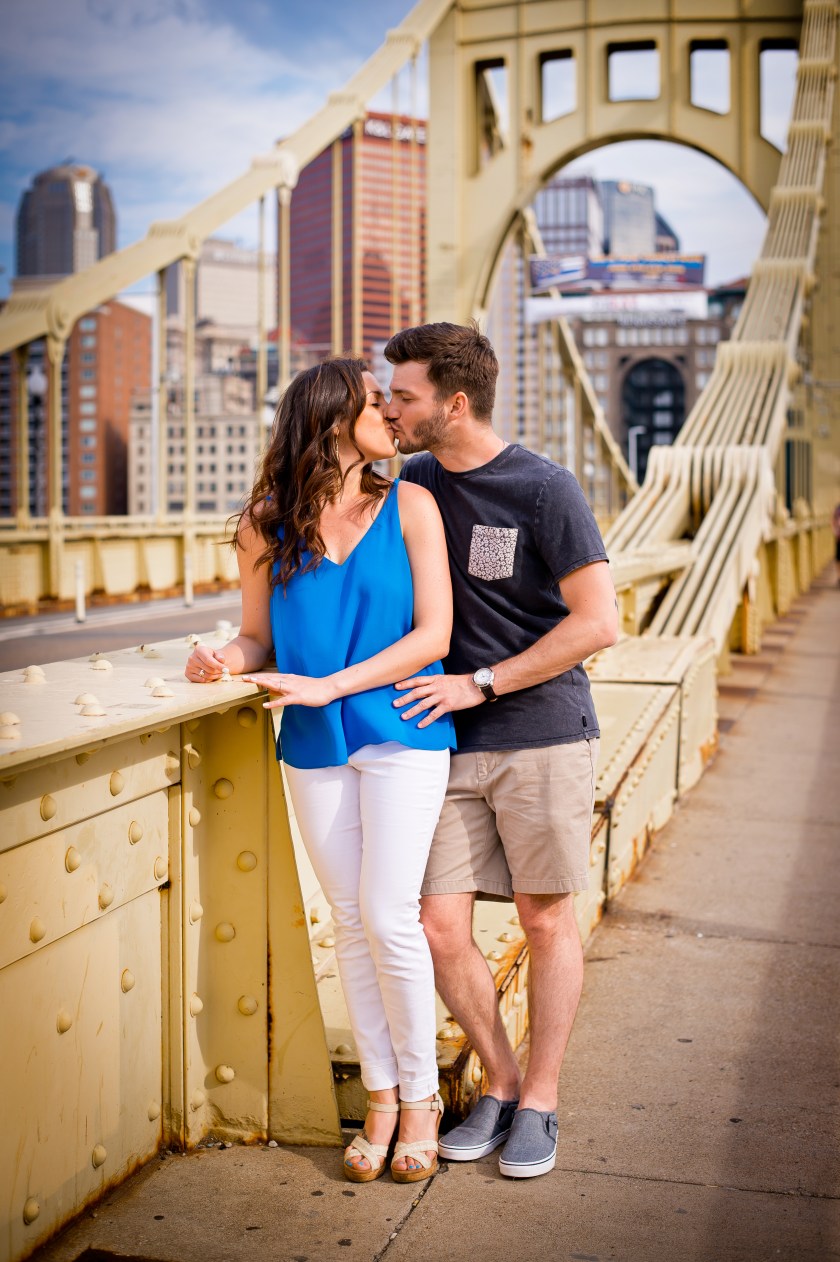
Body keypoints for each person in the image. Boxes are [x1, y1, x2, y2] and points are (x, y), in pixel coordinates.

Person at [184, 358, 456, 1184]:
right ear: (334, 416)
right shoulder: (265, 523)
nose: (393, 416)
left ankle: (421, 1101)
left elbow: (434, 636)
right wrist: (221, 660)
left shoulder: (412, 505)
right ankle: (379, 1098)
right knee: (347, 918)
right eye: (379, 402)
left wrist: (332, 683)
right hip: (311, 737)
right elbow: (258, 636)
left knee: (387, 913)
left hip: (403, 728)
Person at [383, 321, 619, 1180]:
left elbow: (600, 623)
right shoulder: (409, 483)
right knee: (439, 924)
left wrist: (482, 682)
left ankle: (544, 1101)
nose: (388, 407)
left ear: (452, 401)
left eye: (402, 395)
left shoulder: (544, 488)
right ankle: (503, 1083)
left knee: (544, 918)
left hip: (541, 734)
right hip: (439, 742)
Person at [833, 502, 840, 587]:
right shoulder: (838, 509)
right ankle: (839, 576)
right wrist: (835, 531)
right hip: (839, 537)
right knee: (838, 558)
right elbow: (833, 520)